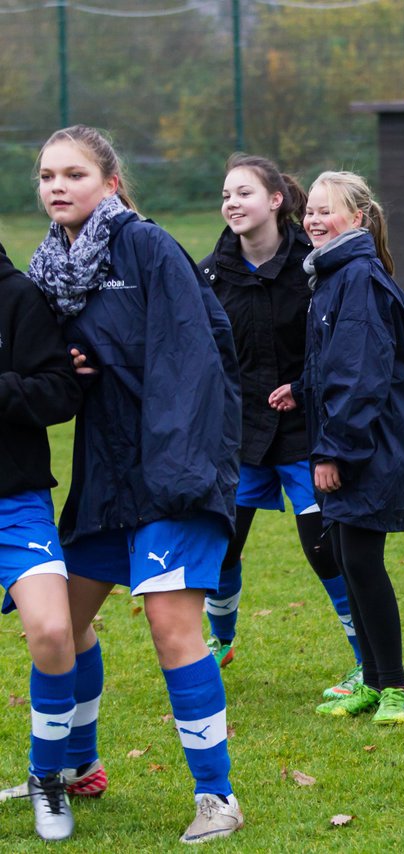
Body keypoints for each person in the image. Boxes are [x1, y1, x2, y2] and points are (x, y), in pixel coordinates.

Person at [26, 125, 245, 842]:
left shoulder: (145, 247)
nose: (58, 186)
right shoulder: (52, 268)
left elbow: (196, 357)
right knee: (65, 622)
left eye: (75, 174)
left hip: (172, 468)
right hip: (108, 471)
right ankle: (80, 769)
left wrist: (181, 473)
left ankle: (218, 798)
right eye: (47, 175)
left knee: (170, 627)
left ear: (111, 183)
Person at [267, 170, 404, 725]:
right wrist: (304, 386)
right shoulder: (335, 274)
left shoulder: (355, 277)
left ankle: (394, 687)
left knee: (360, 560)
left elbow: (360, 376)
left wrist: (332, 453)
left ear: (357, 218)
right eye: (309, 211)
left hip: (369, 444)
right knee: (345, 555)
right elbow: (339, 363)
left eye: (326, 210)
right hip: (359, 434)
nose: (313, 220)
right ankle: (370, 678)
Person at [198, 153, 363, 701]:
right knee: (222, 547)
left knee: (324, 550)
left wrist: (306, 388)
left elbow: (341, 345)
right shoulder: (209, 275)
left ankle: (368, 662)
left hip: (304, 436)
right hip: (239, 435)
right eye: (226, 195)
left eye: (243, 193)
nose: (231, 204)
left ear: (275, 201)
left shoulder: (317, 265)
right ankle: (220, 640)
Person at [0, 240, 82, 840]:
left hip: (16, 502)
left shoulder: (19, 297)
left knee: (55, 631)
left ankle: (47, 779)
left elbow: (59, 392)